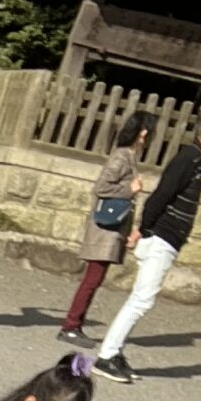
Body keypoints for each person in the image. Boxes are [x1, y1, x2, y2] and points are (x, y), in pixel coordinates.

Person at [93, 107, 201, 383]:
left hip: (167, 237)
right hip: (161, 236)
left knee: (141, 298)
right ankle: (106, 356)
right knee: (141, 300)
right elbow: (161, 195)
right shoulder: (188, 158)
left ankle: (114, 352)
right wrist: (143, 230)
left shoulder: (198, 161)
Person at [60, 111, 150, 344]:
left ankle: (74, 325)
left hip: (112, 228)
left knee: (94, 280)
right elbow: (101, 187)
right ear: (142, 132)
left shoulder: (128, 156)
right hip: (105, 229)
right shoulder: (121, 156)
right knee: (91, 280)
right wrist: (129, 189)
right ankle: (70, 325)